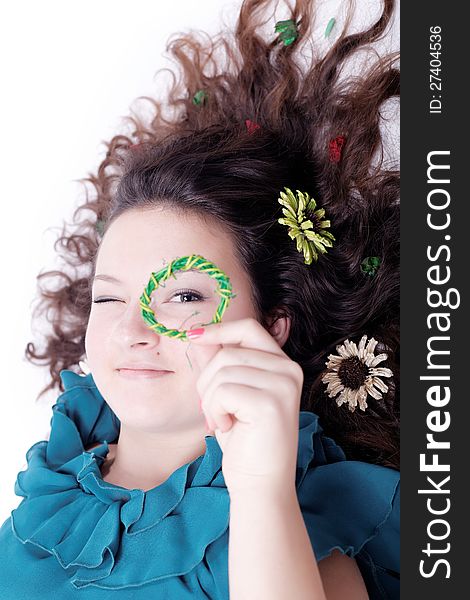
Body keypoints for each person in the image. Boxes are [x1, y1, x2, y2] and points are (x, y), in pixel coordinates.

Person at [0, 0, 400, 598]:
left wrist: (261, 487)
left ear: (273, 325)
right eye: (108, 300)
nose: (133, 330)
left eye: (184, 295)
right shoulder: (44, 505)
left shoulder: (304, 533)